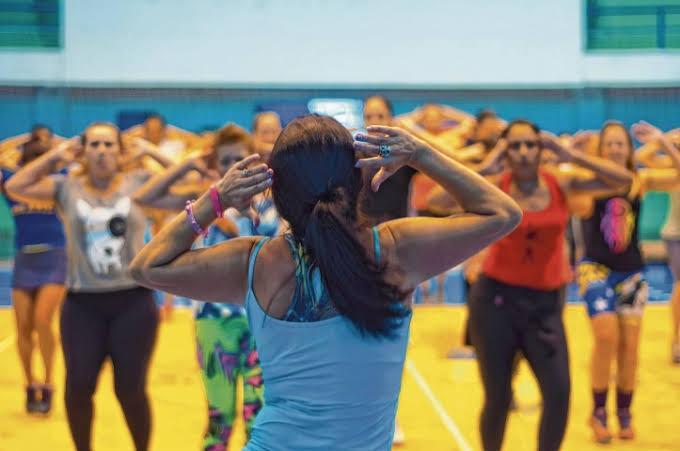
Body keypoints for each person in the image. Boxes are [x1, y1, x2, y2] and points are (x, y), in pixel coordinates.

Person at [130, 114, 522, 450]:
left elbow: (147, 267)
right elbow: (502, 213)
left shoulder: (254, 262)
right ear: (357, 177)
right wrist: (420, 154)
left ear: (276, 192)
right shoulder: (397, 251)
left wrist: (215, 200)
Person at [451, 119, 634, 451]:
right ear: (506, 151)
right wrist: (487, 164)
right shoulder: (494, 185)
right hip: (495, 303)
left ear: (541, 148)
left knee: (559, 393)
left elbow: (623, 180)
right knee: (499, 397)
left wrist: (569, 154)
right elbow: (438, 196)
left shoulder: (561, 184)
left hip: (545, 306)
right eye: (515, 145)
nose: (523, 152)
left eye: (530, 144)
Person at [5, 122, 169, 451]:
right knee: (78, 388)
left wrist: (150, 151)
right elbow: (16, 185)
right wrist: (57, 154)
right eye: (94, 144)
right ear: (84, 150)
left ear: (121, 150)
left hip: (133, 303)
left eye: (109, 144)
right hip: (83, 305)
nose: (102, 151)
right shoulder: (66, 187)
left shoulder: (139, 183)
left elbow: (194, 182)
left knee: (130, 389)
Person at [133, 124, 269, 450]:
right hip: (214, 322)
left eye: (240, 159)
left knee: (260, 418)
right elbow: (142, 197)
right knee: (219, 417)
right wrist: (191, 163)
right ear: (214, 165)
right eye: (225, 162)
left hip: (264, 321)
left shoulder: (271, 198)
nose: (234, 167)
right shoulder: (204, 201)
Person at [577, 120, 680, 443]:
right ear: (601, 148)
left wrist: (663, 142)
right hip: (595, 269)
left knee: (630, 347)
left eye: (621, 144)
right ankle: (597, 411)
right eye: (610, 144)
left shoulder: (639, 181)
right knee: (605, 335)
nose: (616, 149)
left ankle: (623, 412)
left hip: (632, 272)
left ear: (628, 148)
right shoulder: (589, 181)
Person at [1, 139, 67, 415]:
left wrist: (55, 145)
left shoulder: (58, 183)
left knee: (43, 320)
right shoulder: (13, 185)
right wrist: (25, 139)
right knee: (23, 327)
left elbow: (74, 158)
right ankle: (30, 383)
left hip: (54, 258)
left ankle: (49, 382)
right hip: (24, 259)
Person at [634, 124, 680, 363]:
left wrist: (664, 140)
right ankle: (678, 339)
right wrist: (664, 139)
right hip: (676, 234)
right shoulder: (673, 163)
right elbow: (641, 157)